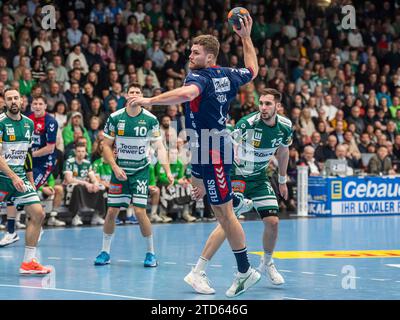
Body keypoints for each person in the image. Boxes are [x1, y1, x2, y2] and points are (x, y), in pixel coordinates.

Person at [130, 16, 260, 297]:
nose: (190, 55)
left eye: (196, 52)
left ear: (209, 57)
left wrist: (150, 101)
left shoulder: (198, 77)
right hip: (202, 148)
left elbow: (187, 93)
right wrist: (246, 37)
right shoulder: (228, 73)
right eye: (190, 51)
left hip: (214, 150)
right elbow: (252, 69)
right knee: (216, 205)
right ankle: (231, 207)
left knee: (225, 215)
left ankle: (245, 270)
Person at [184, 88, 292, 294]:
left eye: (268, 104)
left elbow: (284, 151)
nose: (263, 108)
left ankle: (267, 263)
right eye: (261, 103)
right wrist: (208, 182)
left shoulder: (285, 127)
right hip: (237, 176)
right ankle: (199, 269)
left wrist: (282, 180)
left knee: (273, 222)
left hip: (259, 178)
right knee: (227, 222)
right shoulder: (247, 124)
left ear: (278, 106)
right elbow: (222, 149)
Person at [94, 83, 174, 268]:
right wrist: (114, 167)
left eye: (138, 93)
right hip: (120, 171)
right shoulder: (115, 118)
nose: (135, 95)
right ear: (126, 95)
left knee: (139, 212)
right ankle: (105, 252)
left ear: (142, 97)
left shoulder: (150, 119)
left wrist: (168, 170)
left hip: (140, 171)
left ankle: (150, 253)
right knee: (112, 211)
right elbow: (106, 145)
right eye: (132, 92)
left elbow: (160, 148)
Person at [0, 88, 50, 274]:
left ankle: (29, 262)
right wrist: (13, 176)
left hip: (20, 177)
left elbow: (27, 154)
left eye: (16, 98)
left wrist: (31, 182)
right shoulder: (1, 123)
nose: (13, 101)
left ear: (21, 101)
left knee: (38, 213)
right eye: (9, 99)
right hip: (3, 177)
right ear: (4, 102)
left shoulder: (29, 124)